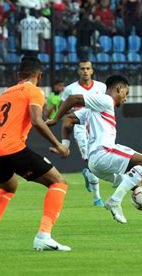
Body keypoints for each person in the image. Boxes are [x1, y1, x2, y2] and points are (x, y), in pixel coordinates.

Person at [48, 75, 142, 232]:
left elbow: (69, 121)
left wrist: (65, 145)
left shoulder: (91, 110)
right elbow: (72, 98)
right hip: (104, 153)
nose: (125, 98)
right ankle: (114, 201)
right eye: (126, 93)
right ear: (119, 89)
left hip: (95, 164)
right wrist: (55, 119)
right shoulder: (105, 100)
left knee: (141, 185)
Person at [0, 56, 71, 251]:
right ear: (40, 76)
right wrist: (58, 144)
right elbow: (37, 120)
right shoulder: (34, 91)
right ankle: (44, 235)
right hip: (12, 147)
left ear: (19, 75)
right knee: (58, 182)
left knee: (8, 187)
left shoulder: (5, 94)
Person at [60, 61, 106, 207]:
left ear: (92, 71)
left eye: (88, 68)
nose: (85, 71)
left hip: (98, 127)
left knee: (98, 161)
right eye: (82, 69)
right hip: (80, 128)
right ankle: (97, 198)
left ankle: (88, 174)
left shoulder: (101, 87)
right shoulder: (70, 89)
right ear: (78, 71)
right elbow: (63, 109)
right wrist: (73, 113)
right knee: (91, 161)